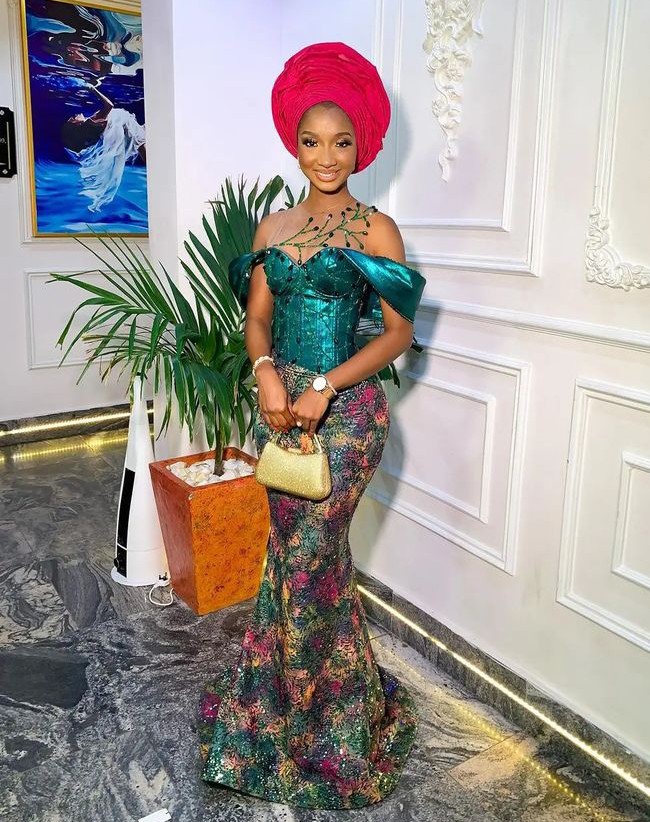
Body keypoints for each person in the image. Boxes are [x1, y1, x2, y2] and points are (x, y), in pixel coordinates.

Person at [197, 42, 426, 810]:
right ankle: (306, 702)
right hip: (280, 408)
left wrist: (326, 384)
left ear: (361, 147)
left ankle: (319, 725)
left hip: (348, 412)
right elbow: (257, 321)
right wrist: (266, 372)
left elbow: (397, 335)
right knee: (298, 561)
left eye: (342, 142)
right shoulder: (272, 229)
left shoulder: (377, 229)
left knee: (312, 558)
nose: (327, 156)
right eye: (312, 141)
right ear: (293, 145)